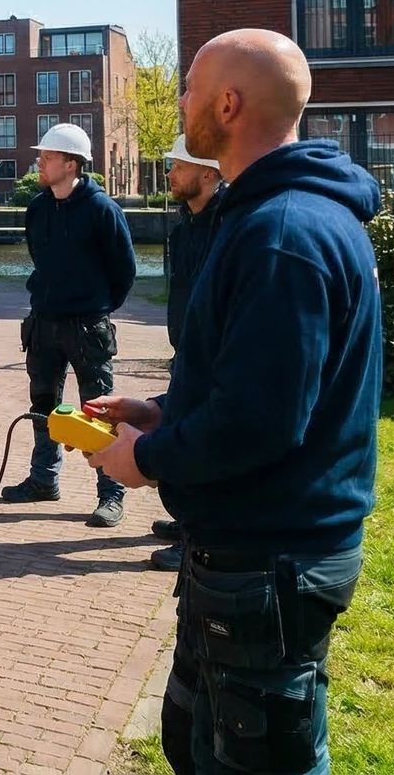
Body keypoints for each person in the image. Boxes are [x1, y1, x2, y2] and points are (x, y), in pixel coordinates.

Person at [87, 28, 381, 775]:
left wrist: (144, 459)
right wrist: (163, 412)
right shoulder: (272, 216)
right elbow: (257, 381)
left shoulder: (283, 231)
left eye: (188, 86)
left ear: (228, 102)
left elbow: (263, 420)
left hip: (270, 556)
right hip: (242, 550)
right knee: (195, 742)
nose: (179, 100)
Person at [1, 121, 136, 527]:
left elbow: (124, 271)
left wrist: (96, 307)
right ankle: (44, 479)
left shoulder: (102, 210)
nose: (39, 163)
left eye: (47, 157)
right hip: (44, 323)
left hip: (88, 326)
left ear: (72, 164)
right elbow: (39, 257)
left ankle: (111, 494)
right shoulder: (38, 207)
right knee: (43, 406)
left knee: (99, 412)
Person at [148, 134, 224, 574]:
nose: (170, 173)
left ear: (208, 174)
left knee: (204, 444)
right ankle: (186, 521)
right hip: (187, 351)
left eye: (178, 165)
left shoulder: (230, 225)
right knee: (184, 430)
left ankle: (199, 535)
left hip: (217, 356)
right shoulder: (183, 229)